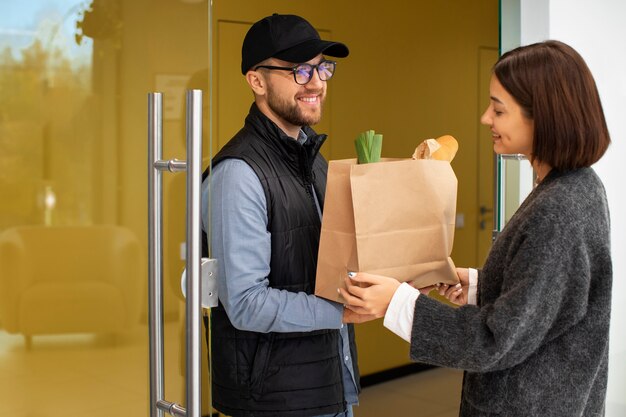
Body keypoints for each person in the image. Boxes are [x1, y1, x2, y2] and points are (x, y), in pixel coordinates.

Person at [340, 40, 612, 417]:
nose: (486, 118)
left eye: (498, 109)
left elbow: (495, 340)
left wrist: (396, 303)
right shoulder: (578, 187)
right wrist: (480, 286)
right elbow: (549, 301)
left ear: (543, 117)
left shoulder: (559, 208)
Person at [201, 13, 368, 417]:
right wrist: (341, 311)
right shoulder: (238, 174)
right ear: (256, 81)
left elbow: (324, 262)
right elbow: (246, 302)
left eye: (322, 68)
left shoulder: (314, 161)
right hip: (275, 402)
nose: (317, 83)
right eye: (299, 70)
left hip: (330, 386)